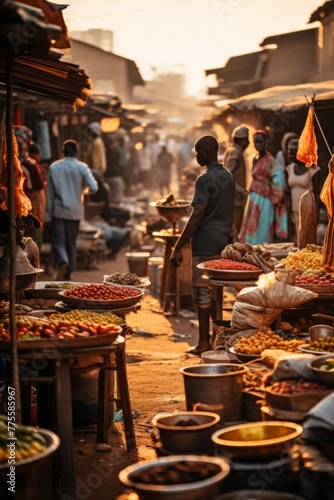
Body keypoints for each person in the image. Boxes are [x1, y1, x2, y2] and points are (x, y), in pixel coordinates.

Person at [170, 135, 235, 355]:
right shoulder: (228, 176)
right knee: (217, 293)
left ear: (207, 151)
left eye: (198, 152)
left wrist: (179, 245)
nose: (196, 156)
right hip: (223, 244)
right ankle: (219, 341)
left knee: (202, 294)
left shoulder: (204, 180)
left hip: (204, 245)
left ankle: (204, 342)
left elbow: (197, 214)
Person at [45, 139, 98, 280]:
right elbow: (94, 187)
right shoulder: (82, 167)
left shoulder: (54, 167)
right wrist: (83, 193)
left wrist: (48, 215)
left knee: (58, 241)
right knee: (71, 242)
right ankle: (69, 271)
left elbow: (49, 194)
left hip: (58, 210)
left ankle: (62, 261)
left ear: (63, 151)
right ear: (76, 151)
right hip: (75, 211)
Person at [239, 130, 288, 244]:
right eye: (256, 142)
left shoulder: (270, 160)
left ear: (266, 143)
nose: (258, 144)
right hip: (253, 198)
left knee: (262, 227)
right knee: (251, 227)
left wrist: (277, 197)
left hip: (265, 200)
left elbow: (278, 178)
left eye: (261, 142)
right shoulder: (255, 159)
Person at [285, 138, 320, 244]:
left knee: (308, 239)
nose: (290, 154)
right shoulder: (289, 169)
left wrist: (316, 212)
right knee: (297, 238)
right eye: (289, 151)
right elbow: (287, 194)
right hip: (294, 210)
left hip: (308, 209)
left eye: (293, 151)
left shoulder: (313, 170)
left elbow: (317, 193)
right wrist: (288, 212)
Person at [223, 125, 250, 234]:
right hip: (235, 199)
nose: (248, 143)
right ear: (240, 140)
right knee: (235, 230)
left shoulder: (234, 151)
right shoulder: (235, 152)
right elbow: (228, 175)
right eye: (246, 140)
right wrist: (242, 191)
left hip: (236, 198)